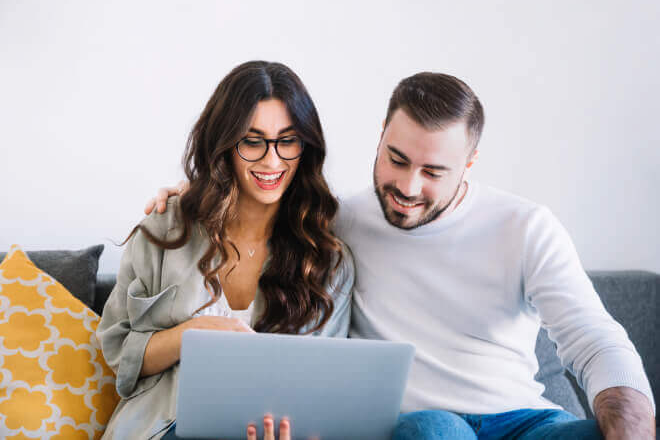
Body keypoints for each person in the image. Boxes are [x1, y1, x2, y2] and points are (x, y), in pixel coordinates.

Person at [150, 72, 655, 439]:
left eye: (433, 172)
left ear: (470, 163)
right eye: (396, 159)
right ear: (381, 140)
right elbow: (249, 204)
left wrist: (630, 426)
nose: (407, 188)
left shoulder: (526, 227)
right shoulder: (334, 224)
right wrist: (187, 199)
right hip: (424, 425)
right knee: (435, 432)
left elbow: (595, 340)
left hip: (525, 420)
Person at [98, 61, 354, 440]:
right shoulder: (163, 232)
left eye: (287, 140)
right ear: (224, 144)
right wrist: (195, 333)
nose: (272, 160)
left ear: (306, 145)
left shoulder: (329, 260)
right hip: (164, 428)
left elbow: (326, 389)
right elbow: (121, 354)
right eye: (252, 141)